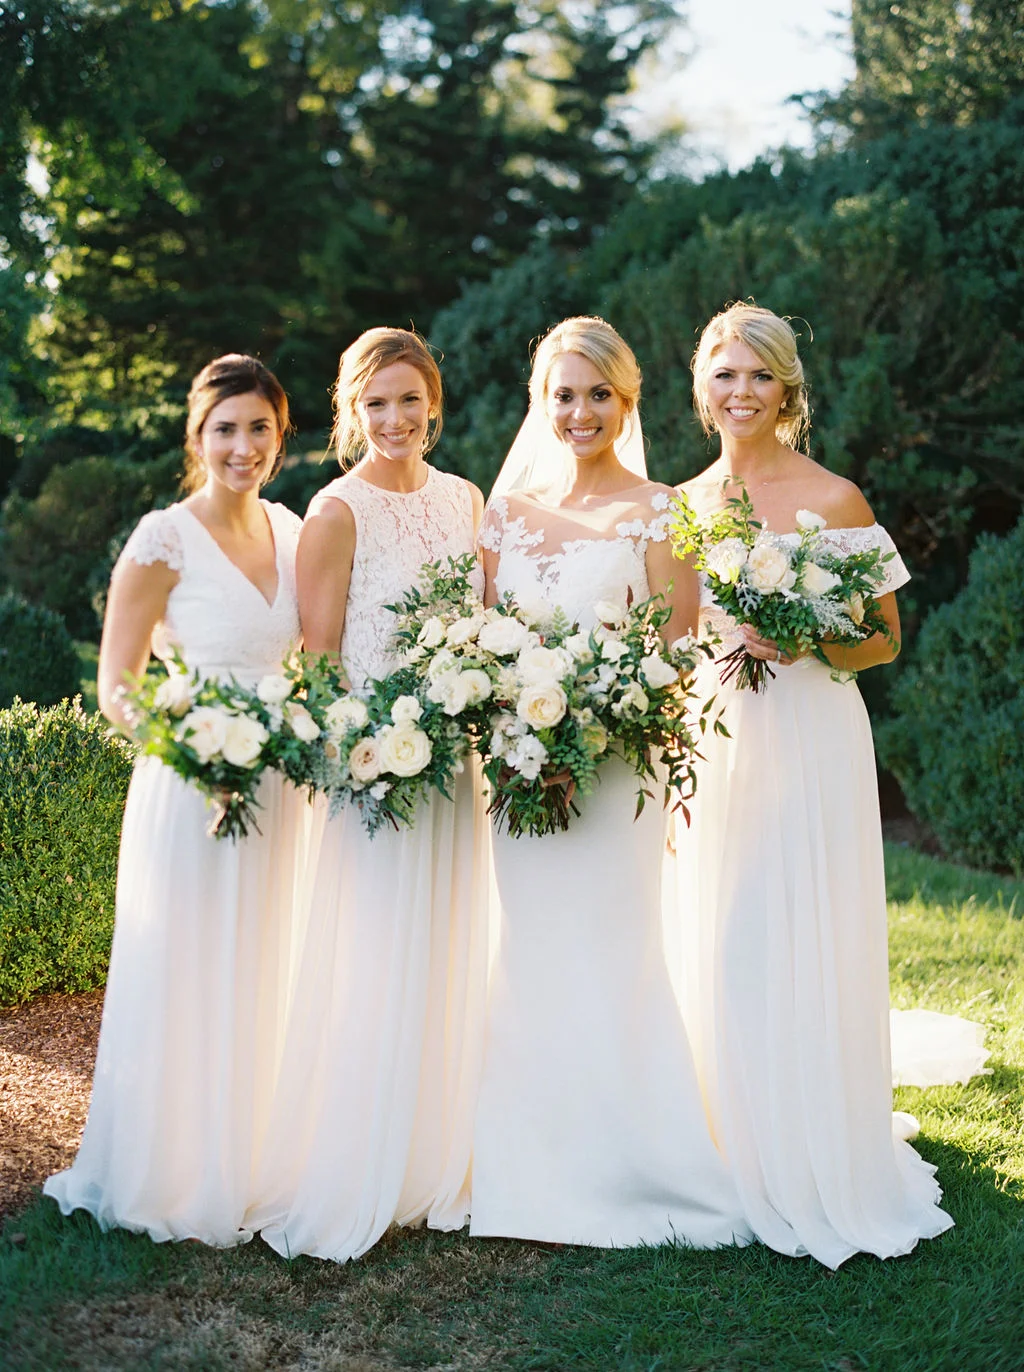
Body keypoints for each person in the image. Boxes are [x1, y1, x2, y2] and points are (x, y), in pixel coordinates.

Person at [669, 301, 955, 1267]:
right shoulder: (683, 503)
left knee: (790, 922)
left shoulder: (836, 499)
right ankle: (723, 1138)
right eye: (725, 374)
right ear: (702, 388)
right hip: (713, 737)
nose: (742, 391)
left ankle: (806, 1140)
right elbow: (676, 636)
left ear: (787, 389)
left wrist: (807, 639)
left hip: (810, 734)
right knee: (719, 931)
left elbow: (884, 638)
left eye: (760, 375)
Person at [471, 315, 751, 1249]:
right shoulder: (505, 516)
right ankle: (530, 1160)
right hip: (520, 775)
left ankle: (635, 1157)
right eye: (564, 395)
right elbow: (480, 644)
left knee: (614, 951)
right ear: (541, 403)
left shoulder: (660, 509)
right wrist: (522, 726)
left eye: (599, 394)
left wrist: (598, 719)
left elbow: (677, 642)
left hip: (617, 769)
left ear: (627, 403)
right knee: (529, 950)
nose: (580, 411)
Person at [44, 354, 306, 1245]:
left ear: (281, 435)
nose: (243, 446)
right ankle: (173, 1168)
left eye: (259, 427)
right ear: (198, 437)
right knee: (191, 967)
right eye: (225, 428)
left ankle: (253, 1158)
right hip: (192, 785)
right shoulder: (163, 538)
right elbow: (117, 687)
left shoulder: (291, 530)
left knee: (265, 959)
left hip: (277, 783)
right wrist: (191, 747)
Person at [247, 327, 490, 1262]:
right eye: (375, 403)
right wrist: (362, 750)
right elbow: (319, 659)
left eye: (409, 400)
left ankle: (434, 1154)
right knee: (376, 956)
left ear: (434, 403)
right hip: (374, 771)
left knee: (446, 946)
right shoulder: (336, 510)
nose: (395, 420)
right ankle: (360, 1164)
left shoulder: (465, 499)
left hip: (453, 764)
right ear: (352, 411)